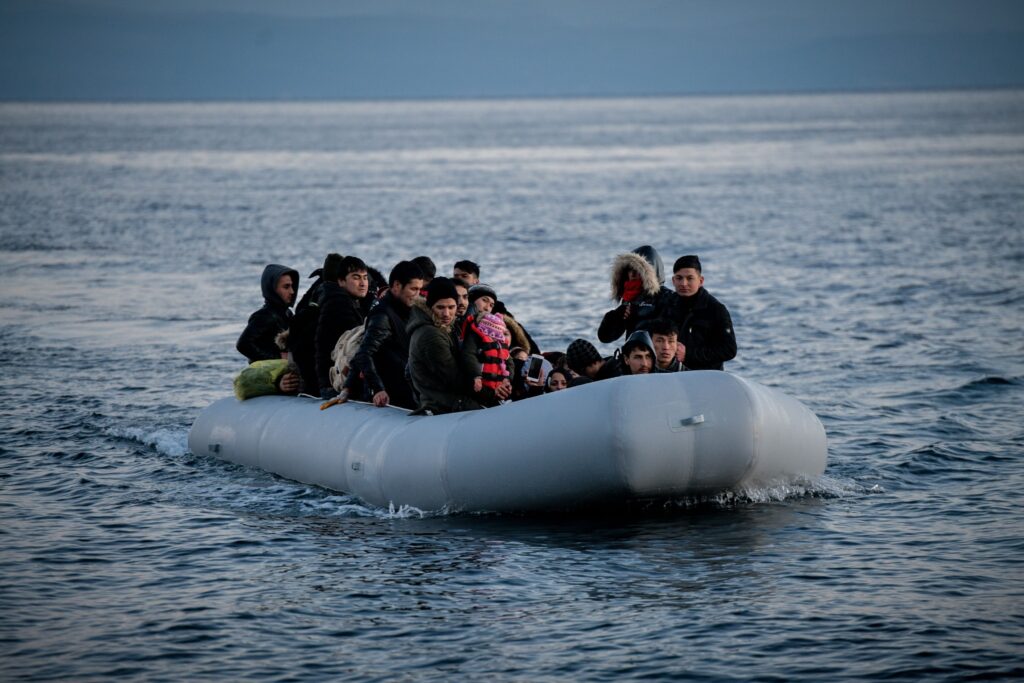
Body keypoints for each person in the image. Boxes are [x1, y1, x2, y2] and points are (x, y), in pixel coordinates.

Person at [407, 278, 509, 414]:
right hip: (444, 404)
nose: (447, 313)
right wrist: (491, 394)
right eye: (440, 307)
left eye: (451, 307)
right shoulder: (431, 335)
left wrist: (502, 382)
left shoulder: (448, 326)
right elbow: (454, 379)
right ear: (430, 306)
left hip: (455, 398)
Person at [341, 260, 425, 408]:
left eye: (419, 290)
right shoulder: (383, 315)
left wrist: (348, 387)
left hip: (409, 387)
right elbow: (364, 354)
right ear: (397, 286)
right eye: (413, 289)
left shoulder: (408, 310)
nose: (417, 295)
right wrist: (378, 389)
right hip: (392, 394)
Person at [661, 255, 736, 371]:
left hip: (705, 377)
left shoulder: (716, 310)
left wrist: (689, 354)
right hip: (672, 374)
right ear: (673, 280)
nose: (684, 283)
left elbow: (729, 350)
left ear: (700, 281)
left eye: (690, 278)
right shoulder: (667, 304)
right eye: (679, 278)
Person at [236, 263, 300, 393]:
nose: (292, 292)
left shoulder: (288, 314)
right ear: (272, 289)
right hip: (267, 375)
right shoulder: (264, 315)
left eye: (292, 286)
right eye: (286, 287)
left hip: (283, 373)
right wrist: (277, 358)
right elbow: (243, 344)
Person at [315, 254, 370, 399]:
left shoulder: (350, 302)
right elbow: (355, 345)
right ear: (341, 281)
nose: (363, 283)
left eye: (365, 277)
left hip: (334, 379)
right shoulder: (339, 304)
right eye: (356, 277)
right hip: (334, 383)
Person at [598, 245, 672, 344]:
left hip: (657, 354)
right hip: (633, 354)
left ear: (650, 272)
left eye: (638, 270)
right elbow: (605, 337)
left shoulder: (667, 297)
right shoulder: (629, 298)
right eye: (630, 270)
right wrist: (616, 317)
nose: (633, 274)